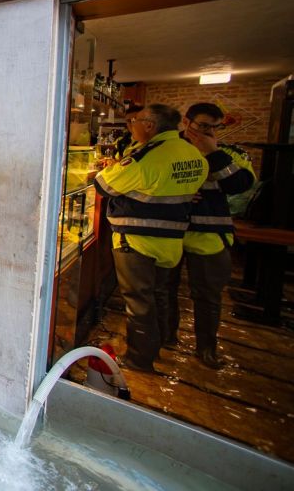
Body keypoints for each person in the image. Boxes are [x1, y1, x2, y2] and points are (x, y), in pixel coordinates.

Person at [94, 103, 207, 372]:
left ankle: (139, 359)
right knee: (162, 293)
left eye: (135, 121)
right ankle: (166, 339)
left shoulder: (147, 156)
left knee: (139, 301)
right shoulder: (192, 153)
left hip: (138, 239)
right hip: (173, 239)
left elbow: (103, 184)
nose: (131, 125)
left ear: (150, 125)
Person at [165, 103, 254, 369]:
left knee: (207, 295)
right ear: (187, 121)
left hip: (210, 233)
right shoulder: (167, 148)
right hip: (169, 231)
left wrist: (212, 152)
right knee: (164, 290)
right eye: (203, 125)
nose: (208, 131)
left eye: (215, 127)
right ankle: (167, 337)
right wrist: (176, 192)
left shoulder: (229, 152)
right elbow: (149, 179)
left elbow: (239, 185)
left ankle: (206, 347)